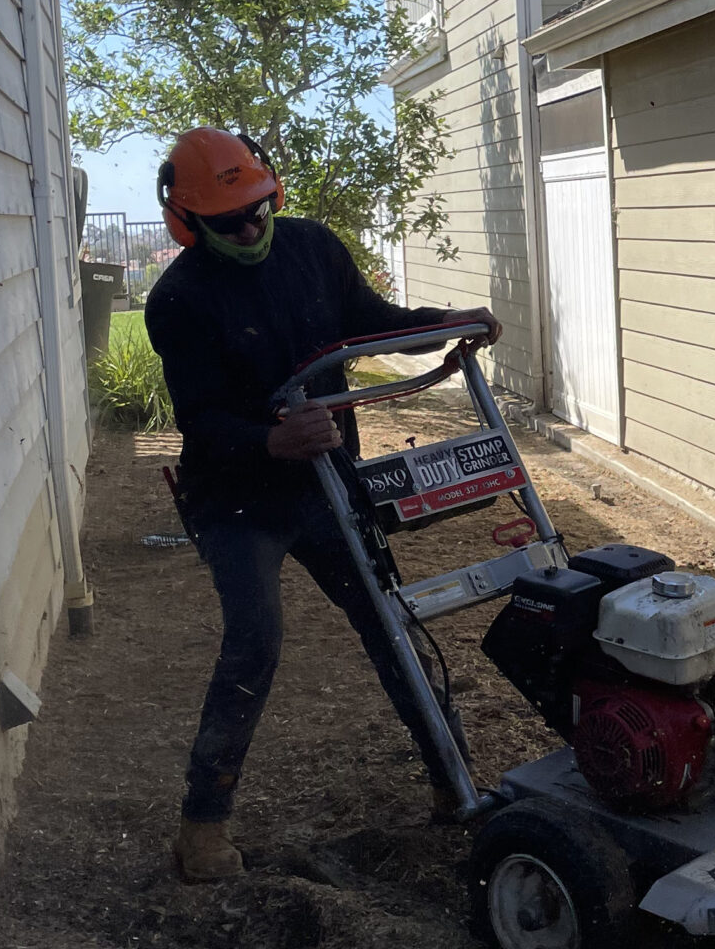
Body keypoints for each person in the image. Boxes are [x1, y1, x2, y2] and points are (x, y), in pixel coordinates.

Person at [143, 127, 499, 882]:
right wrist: (271, 441)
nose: (250, 228)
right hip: (237, 498)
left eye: (259, 207)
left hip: (329, 482)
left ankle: (453, 780)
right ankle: (202, 830)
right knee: (255, 642)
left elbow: (371, 321)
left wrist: (445, 324)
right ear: (189, 224)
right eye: (229, 221)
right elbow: (199, 418)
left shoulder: (312, 249)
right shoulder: (178, 300)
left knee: (389, 619)